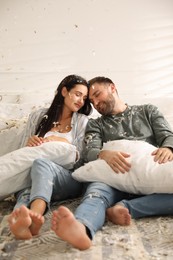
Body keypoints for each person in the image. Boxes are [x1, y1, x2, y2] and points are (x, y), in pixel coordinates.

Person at [51, 76, 173, 250]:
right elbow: (89, 152)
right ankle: (81, 228)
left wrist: (168, 148)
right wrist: (104, 154)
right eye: (92, 101)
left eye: (98, 95)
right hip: (111, 179)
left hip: (149, 177)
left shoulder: (147, 111)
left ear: (113, 88)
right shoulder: (96, 124)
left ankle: (127, 208)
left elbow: (168, 136)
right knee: (96, 193)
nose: (96, 103)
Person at [8, 74, 92, 240]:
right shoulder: (38, 117)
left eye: (84, 97)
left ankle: (34, 217)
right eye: (77, 94)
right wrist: (29, 142)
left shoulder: (82, 121)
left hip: (67, 178)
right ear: (64, 91)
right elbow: (21, 154)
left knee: (41, 164)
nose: (81, 100)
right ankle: (20, 220)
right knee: (25, 186)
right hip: (34, 174)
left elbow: (82, 157)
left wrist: (59, 140)